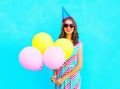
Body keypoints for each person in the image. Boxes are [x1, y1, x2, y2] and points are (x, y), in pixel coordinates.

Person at [51, 7, 83, 89]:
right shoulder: (58, 43)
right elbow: (54, 62)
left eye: (71, 25)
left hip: (73, 77)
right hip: (60, 74)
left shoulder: (78, 44)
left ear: (74, 27)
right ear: (63, 27)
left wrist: (63, 78)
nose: (68, 27)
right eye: (66, 25)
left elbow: (79, 65)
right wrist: (54, 75)